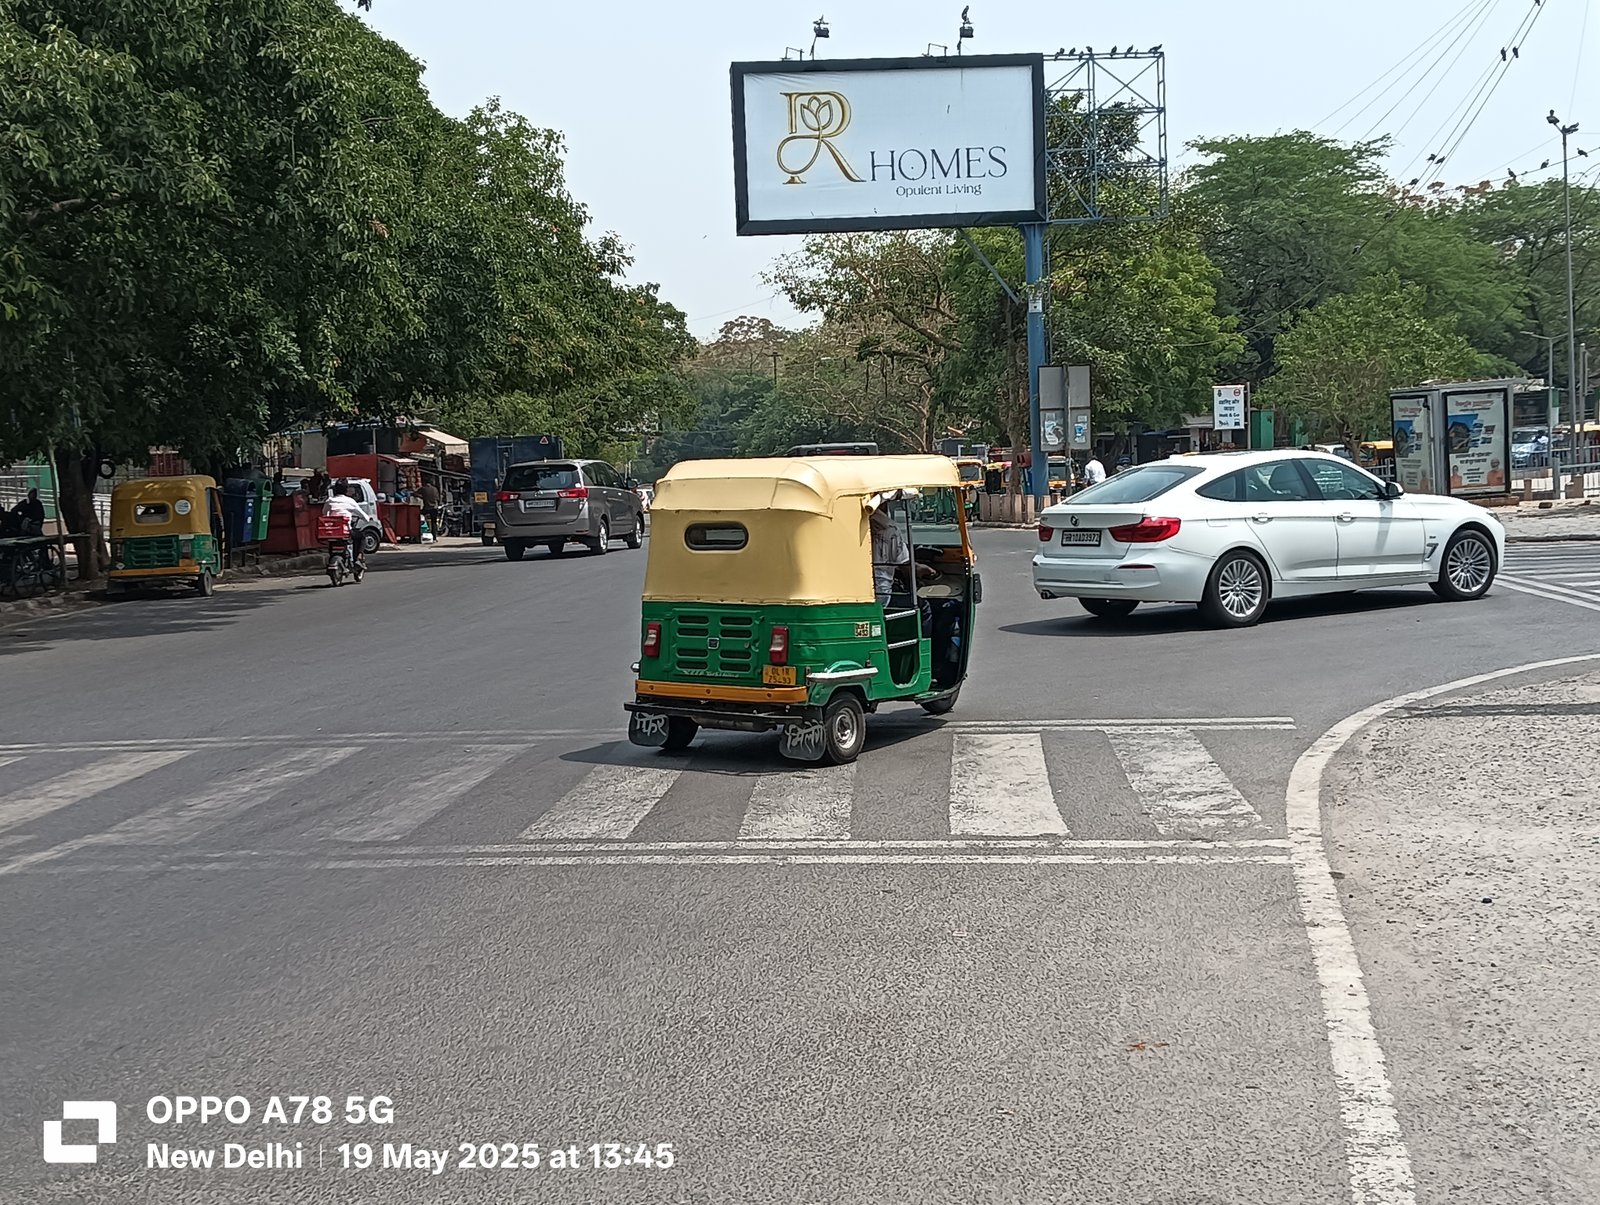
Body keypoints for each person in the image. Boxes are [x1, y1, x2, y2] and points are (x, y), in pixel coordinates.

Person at [322, 480, 368, 573]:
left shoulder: (329, 501)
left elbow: (324, 512)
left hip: (331, 532)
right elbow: (364, 516)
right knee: (361, 537)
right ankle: (358, 558)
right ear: (346, 490)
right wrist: (367, 518)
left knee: (332, 542)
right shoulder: (350, 501)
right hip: (345, 532)